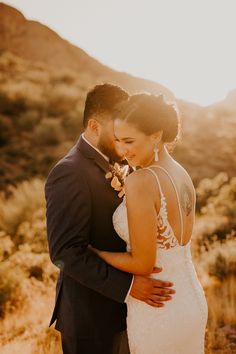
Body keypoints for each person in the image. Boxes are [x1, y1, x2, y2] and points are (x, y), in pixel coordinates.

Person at [45, 84, 175, 354]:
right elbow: (65, 252)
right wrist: (128, 287)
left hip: (127, 313)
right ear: (94, 125)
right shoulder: (69, 172)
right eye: (116, 131)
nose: (122, 138)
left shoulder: (124, 164)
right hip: (89, 317)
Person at [90, 93, 208, 354]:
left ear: (156, 135)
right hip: (190, 300)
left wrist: (96, 253)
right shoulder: (181, 173)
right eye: (118, 140)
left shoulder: (141, 182)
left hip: (158, 308)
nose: (122, 150)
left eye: (129, 141)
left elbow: (143, 263)